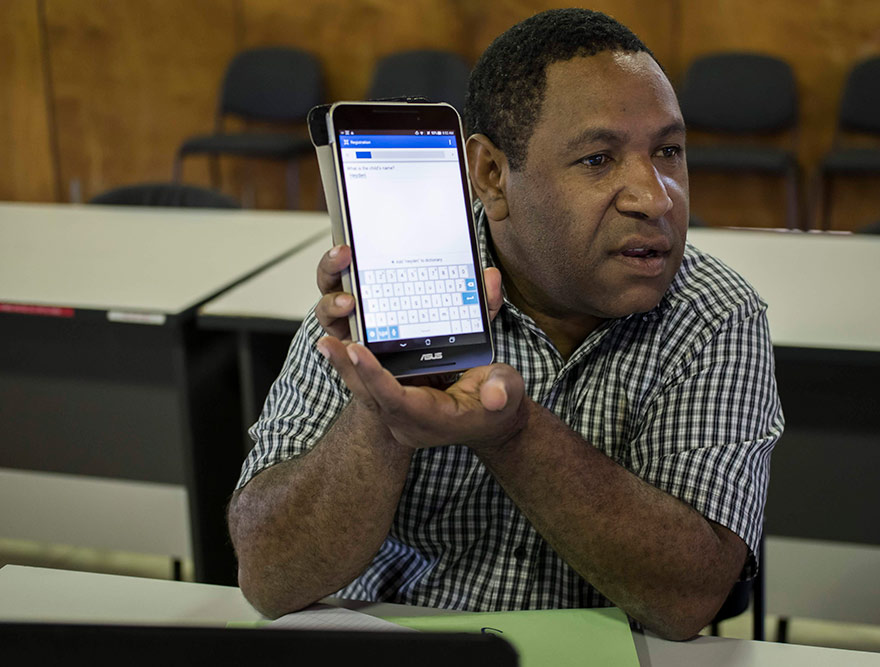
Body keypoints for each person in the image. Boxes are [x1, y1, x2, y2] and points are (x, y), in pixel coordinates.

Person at [227, 8, 783, 640]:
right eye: (599, 159)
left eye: (669, 151)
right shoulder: (390, 290)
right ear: (491, 175)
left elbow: (688, 602)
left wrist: (513, 433)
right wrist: (382, 408)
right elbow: (270, 578)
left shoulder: (712, 315)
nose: (654, 197)